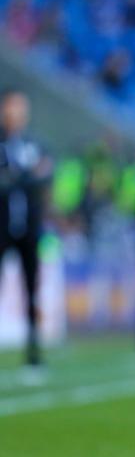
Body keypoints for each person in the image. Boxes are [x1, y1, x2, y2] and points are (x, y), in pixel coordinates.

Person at [0, 89, 52, 378]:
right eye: (12, 108)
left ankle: (33, 352)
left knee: (31, 288)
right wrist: (25, 176)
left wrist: (18, 177)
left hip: (30, 228)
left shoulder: (34, 142)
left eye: (21, 108)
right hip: (2, 226)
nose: (16, 114)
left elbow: (46, 173)